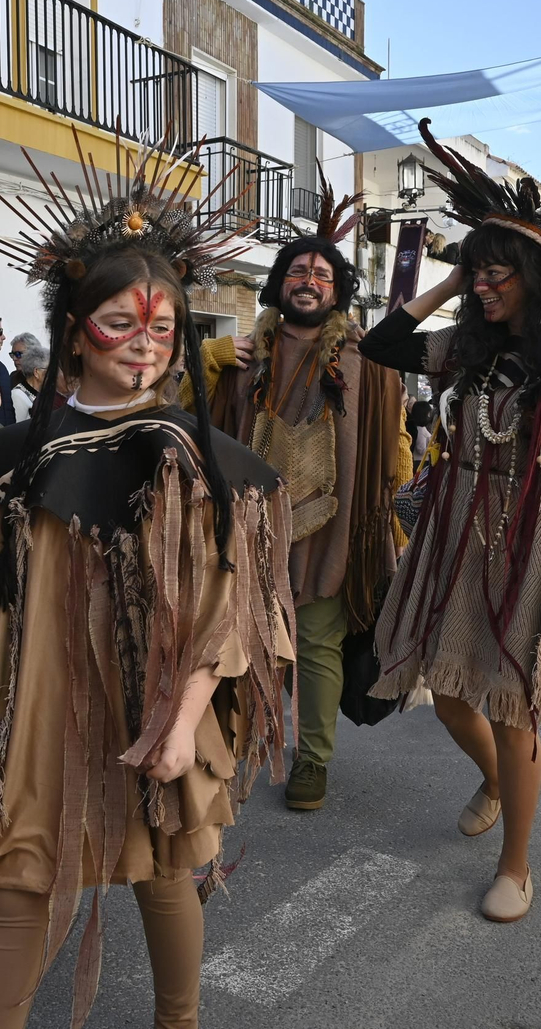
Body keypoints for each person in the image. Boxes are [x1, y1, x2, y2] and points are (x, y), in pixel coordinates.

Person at [0, 137, 293, 1027]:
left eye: (163, 329)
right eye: (121, 324)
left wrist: (181, 722)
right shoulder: (5, 462)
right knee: (22, 874)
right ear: (71, 329)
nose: (144, 347)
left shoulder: (198, 463)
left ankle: (182, 1018)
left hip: (153, 702)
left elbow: (224, 605)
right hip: (39, 705)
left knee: (166, 865)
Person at [361, 123, 541, 923]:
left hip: (531, 532)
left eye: (501, 272)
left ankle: (518, 865)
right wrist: (452, 279)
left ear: (537, 277)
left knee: (513, 703)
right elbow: (382, 342)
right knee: (446, 692)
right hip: (454, 525)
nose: (485, 285)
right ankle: (501, 784)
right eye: (480, 272)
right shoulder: (462, 352)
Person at [190, 166, 406, 811]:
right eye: (297, 272)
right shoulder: (241, 354)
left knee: (314, 643)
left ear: (338, 291)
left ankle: (312, 759)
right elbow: (192, 422)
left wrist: (387, 512)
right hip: (248, 523)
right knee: (241, 634)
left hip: (332, 526)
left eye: (321, 275)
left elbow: (388, 439)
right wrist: (203, 368)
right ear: (278, 283)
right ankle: (239, 739)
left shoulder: (364, 358)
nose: (308, 282)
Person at [9, 344, 48, 422]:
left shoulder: (44, 392)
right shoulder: (17, 396)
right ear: (36, 372)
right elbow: (16, 428)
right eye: (48, 369)